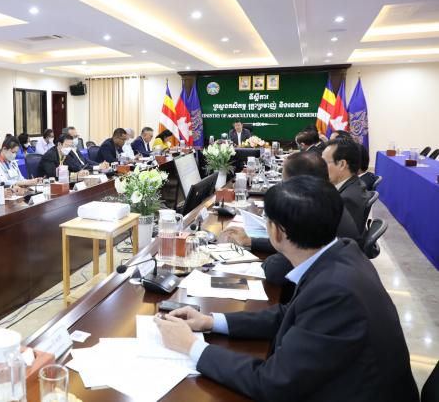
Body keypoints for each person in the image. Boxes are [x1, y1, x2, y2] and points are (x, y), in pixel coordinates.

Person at [153, 176, 418, 401]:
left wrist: (192, 347)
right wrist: (210, 321)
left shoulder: (335, 292)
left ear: (277, 232)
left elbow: (273, 383)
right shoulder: (341, 253)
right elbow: (289, 313)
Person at [222, 151, 361, 285]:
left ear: (296, 184)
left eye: (283, 181)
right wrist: (251, 241)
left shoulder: (309, 212)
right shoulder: (328, 200)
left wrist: (268, 259)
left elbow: (275, 270)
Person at [322, 138, 372, 234]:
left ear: (342, 164)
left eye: (324, 162)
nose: (321, 166)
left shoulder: (346, 199)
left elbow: (340, 236)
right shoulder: (356, 183)